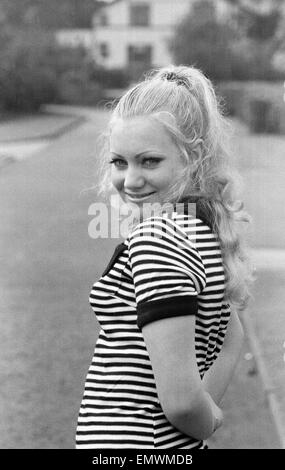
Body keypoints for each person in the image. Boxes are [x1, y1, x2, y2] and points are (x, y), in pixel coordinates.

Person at [75, 65, 253, 449]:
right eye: (120, 162)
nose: (130, 179)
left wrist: (205, 419)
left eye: (149, 161)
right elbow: (232, 333)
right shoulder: (199, 228)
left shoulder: (158, 239)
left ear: (194, 158)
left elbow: (182, 402)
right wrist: (203, 416)